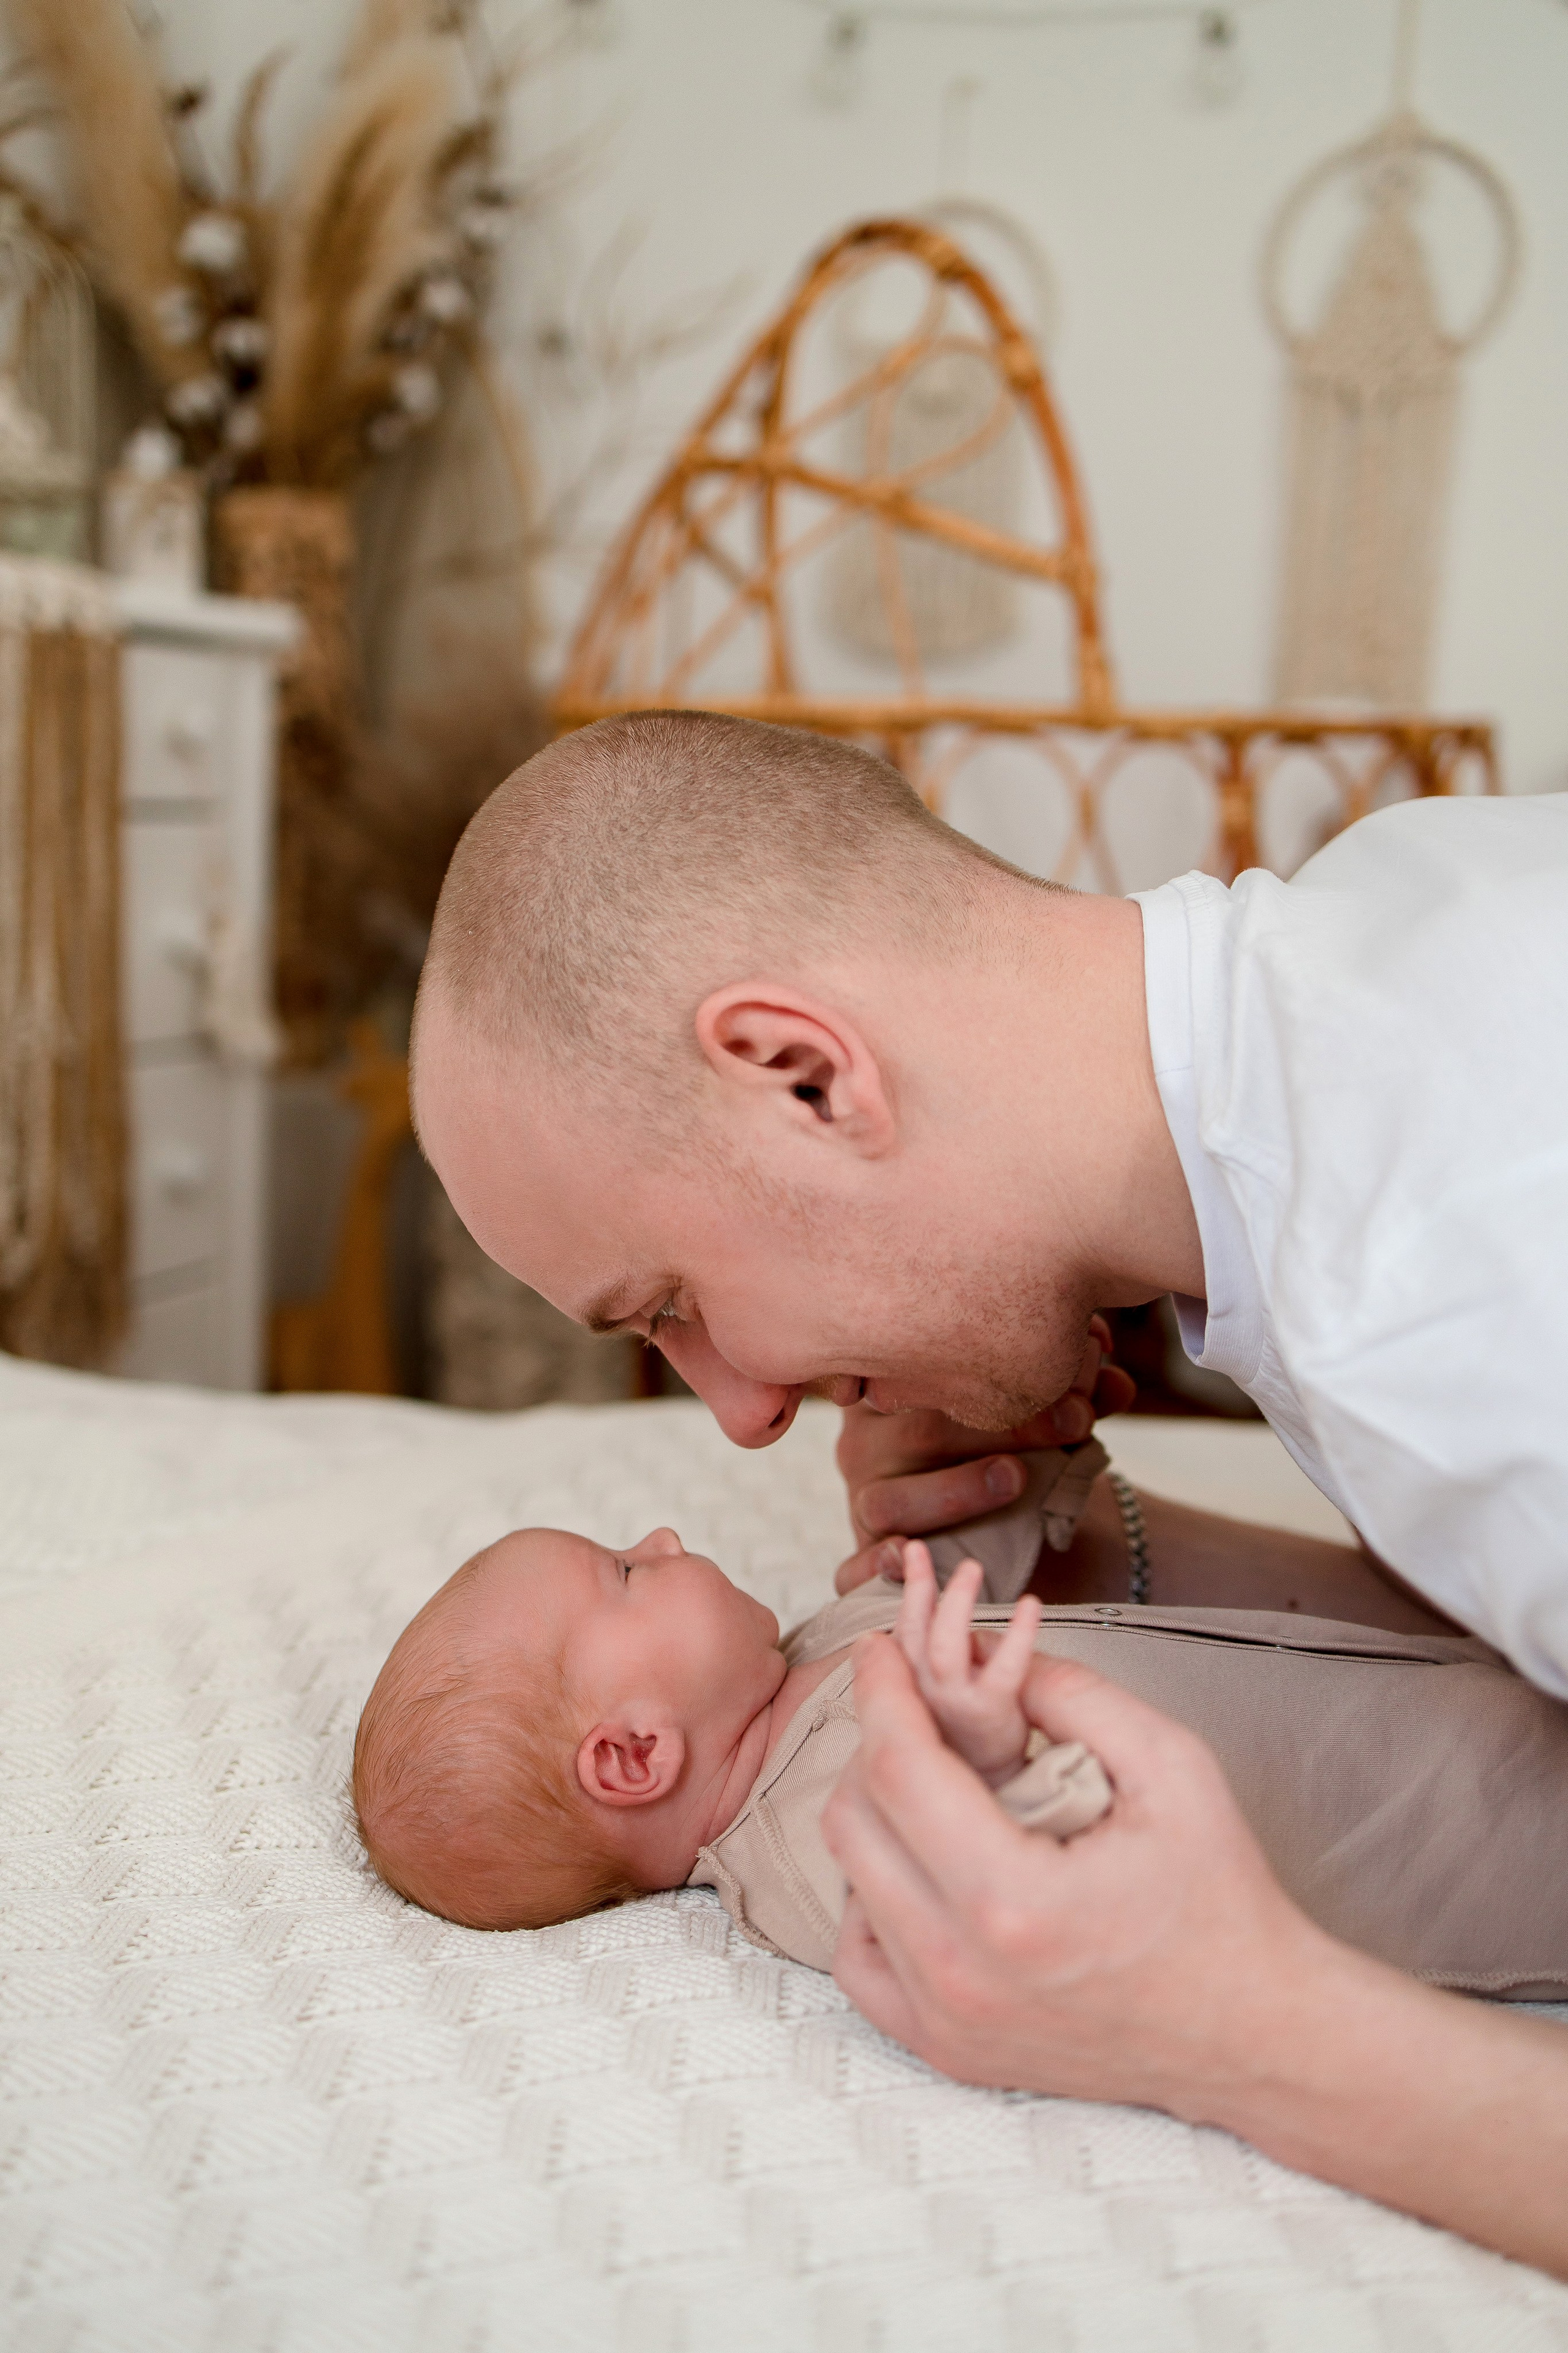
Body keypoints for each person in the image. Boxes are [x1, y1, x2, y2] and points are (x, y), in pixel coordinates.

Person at [410, 709, 1568, 2276]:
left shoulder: (1464, 1302)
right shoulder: (1399, 929)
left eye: (672, 1299)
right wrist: (1095, 1537)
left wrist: (1241, 2027)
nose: (741, 1414)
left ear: (801, 1075)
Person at [351, 1508, 1568, 1996]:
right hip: (1470, 1846)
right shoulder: (823, 1842)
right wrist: (995, 1771)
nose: (663, 1534)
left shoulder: (816, 1648)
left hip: (1446, 1693)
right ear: (631, 1757)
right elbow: (1015, 1922)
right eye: (624, 1570)